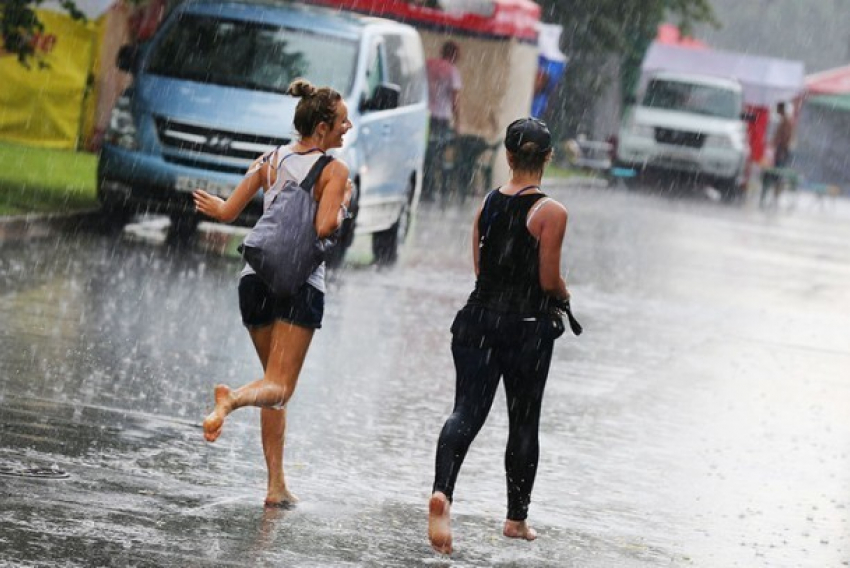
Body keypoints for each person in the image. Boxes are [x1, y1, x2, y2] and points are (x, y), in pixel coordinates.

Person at [192, 78, 352, 508]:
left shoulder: (270, 158)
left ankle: (275, 485)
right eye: (341, 121)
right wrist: (343, 205)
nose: (348, 127)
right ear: (321, 128)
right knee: (277, 389)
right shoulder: (334, 171)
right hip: (299, 283)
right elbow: (324, 228)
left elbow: (228, 211)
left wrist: (212, 204)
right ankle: (230, 401)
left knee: (272, 385)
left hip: (256, 277)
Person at [427, 117, 571, 554]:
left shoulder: (486, 204)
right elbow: (547, 280)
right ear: (547, 157)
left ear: (508, 156)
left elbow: (480, 268)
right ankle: (515, 518)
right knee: (523, 421)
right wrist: (564, 296)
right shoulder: (551, 213)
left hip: (476, 321)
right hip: (525, 329)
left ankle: (443, 492)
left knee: (466, 411)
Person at [424, 40, 462, 199]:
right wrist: (458, 122)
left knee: (427, 151)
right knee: (437, 154)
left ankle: (424, 185)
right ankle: (432, 188)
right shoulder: (452, 71)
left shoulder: (428, 64)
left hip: (426, 115)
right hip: (442, 117)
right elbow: (455, 100)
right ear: (453, 54)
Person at [761, 101, 795, 206]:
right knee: (775, 174)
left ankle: (773, 198)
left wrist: (775, 145)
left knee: (776, 174)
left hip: (782, 152)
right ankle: (771, 198)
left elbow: (783, 138)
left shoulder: (786, 122)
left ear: (781, 109)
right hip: (781, 151)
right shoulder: (785, 121)